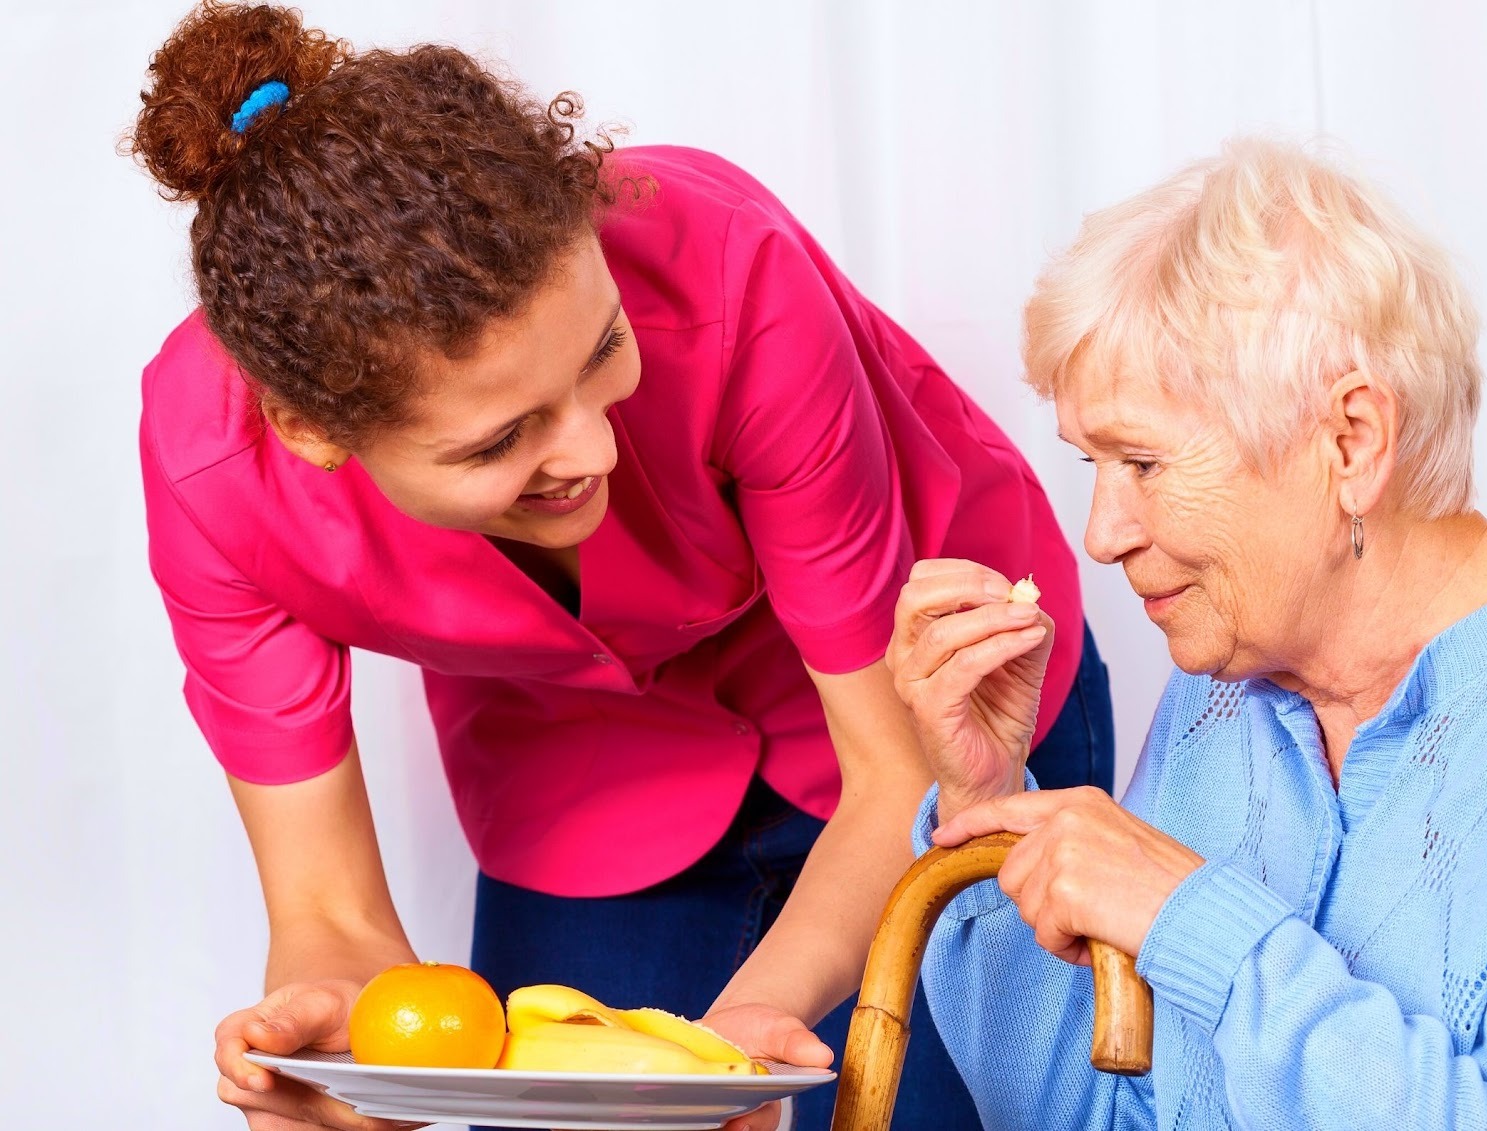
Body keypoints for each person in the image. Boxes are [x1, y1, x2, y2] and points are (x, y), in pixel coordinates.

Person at [127, 4, 1114, 1129]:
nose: (595, 451)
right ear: (312, 430)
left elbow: (895, 774)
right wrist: (340, 1035)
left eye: (604, 350)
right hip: (585, 762)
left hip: (919, 702)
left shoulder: (729, 264)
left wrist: (732, 1049)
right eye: (499, 439)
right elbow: (328, 911)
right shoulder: (214, 471)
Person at [889, 137, 1487, 1128]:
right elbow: (1080, 1114)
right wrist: (986, 796)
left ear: (1350, 441)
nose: (1101, 536)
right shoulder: (1223, 694)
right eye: (1093, 465)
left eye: (1140, 462)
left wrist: (1192, 922)